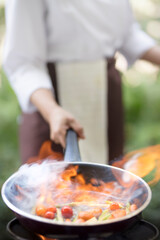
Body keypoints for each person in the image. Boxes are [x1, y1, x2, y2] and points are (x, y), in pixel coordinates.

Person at [3, 0, 160, 164]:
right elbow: (23, 63)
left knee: (109, 182)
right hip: (51, 105)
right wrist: (52, 111)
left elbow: (127, 35)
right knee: (50, 185)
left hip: (104, 100)